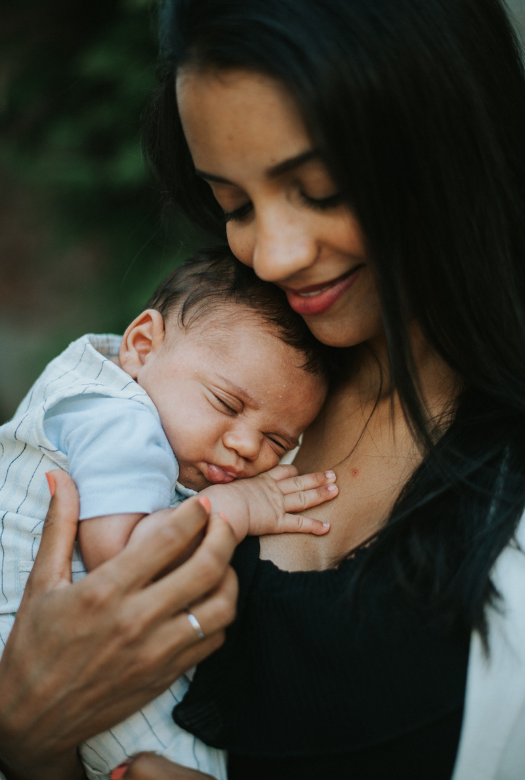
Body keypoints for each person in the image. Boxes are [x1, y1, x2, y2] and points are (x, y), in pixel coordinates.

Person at [2, 0, 525, 778]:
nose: (272, 256)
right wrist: (26, 735)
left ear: (442, 142)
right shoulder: (220, 376)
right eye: (234, 206)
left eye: (318, 190)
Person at [0, 247, 338, 780]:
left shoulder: (105, 392)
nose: (248, 446)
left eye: (279, 440)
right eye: (227, 404)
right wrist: (234, 505)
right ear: (141, 346)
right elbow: (122, 557)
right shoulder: (122, 420)